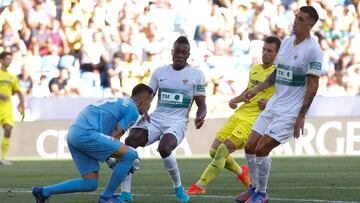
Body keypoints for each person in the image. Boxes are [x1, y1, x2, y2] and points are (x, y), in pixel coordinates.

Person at [235, 6, 323, 203]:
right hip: (274, 104)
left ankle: (262, 194)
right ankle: (253, 189)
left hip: (290, 111)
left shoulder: (313, 50)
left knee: (261, 149)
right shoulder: (286, 42)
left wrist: (301, 115)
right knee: (249, 146)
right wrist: (255, 90)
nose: (296, 21)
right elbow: (277, 73)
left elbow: (313, 85)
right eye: (296, 17)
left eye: (301, 19)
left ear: (310, 25)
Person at [186, 36, 281, 195]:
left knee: (223, 150)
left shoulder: (278, 73)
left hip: (254, 120)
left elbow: (284, 96)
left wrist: (270, 103)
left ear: (277, 54)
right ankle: (242, 174)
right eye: (264, 49)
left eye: (269, 51)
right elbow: (248, 90)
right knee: (214, 151)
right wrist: (234, 100)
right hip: (240, 114)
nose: (265, 53)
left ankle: (200, 185)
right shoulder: (255, 69)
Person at [119, 36, 207, 203]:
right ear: (172, 52)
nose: (179, 55)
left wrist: (201, 116)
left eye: (183, 53)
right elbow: (146, 96)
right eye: (177, 52)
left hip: (177, 122)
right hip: (156, 119)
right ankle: (125, 193)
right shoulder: (159, 72)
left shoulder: (196, 74)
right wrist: (143, 111)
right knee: (130, 141)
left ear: (188, 55)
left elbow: (202, 104)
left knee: (164, 148)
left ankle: (178, 188)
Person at [32, 83, 154, 203]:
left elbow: (108, 140)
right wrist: (118, 160)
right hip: (87, 133)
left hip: (74, 133)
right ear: (143, 101)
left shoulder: (119, 101)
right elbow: (114, 137)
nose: (149, 107)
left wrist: (113, 160)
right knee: (131, 156)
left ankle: (43, 192)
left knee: (90, 183)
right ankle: (106, 198)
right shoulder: (132, 110)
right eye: (150, 102)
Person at [0, 51, 25, 165]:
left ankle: (3, 158)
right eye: (7, 59)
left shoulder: (12, 76)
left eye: (10, 59)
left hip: (6, 108)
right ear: (1, 60)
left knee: (8, 129)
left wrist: (22, 105)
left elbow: (18, 91)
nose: (9, 61)